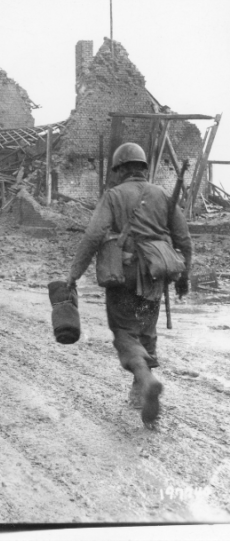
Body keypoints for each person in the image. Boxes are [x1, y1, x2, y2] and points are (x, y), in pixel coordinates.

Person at [66, 142, 192, 429]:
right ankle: (140, 396)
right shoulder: (162, 194)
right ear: (144, 168)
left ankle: (146, 381)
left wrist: (74, 273)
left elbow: (94, 235)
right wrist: (184, 277)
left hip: (124, 271)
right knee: (146, 330)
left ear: (120, 169)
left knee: (124, 332)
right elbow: (184, 240)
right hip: (156, 271)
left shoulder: (114, 195)